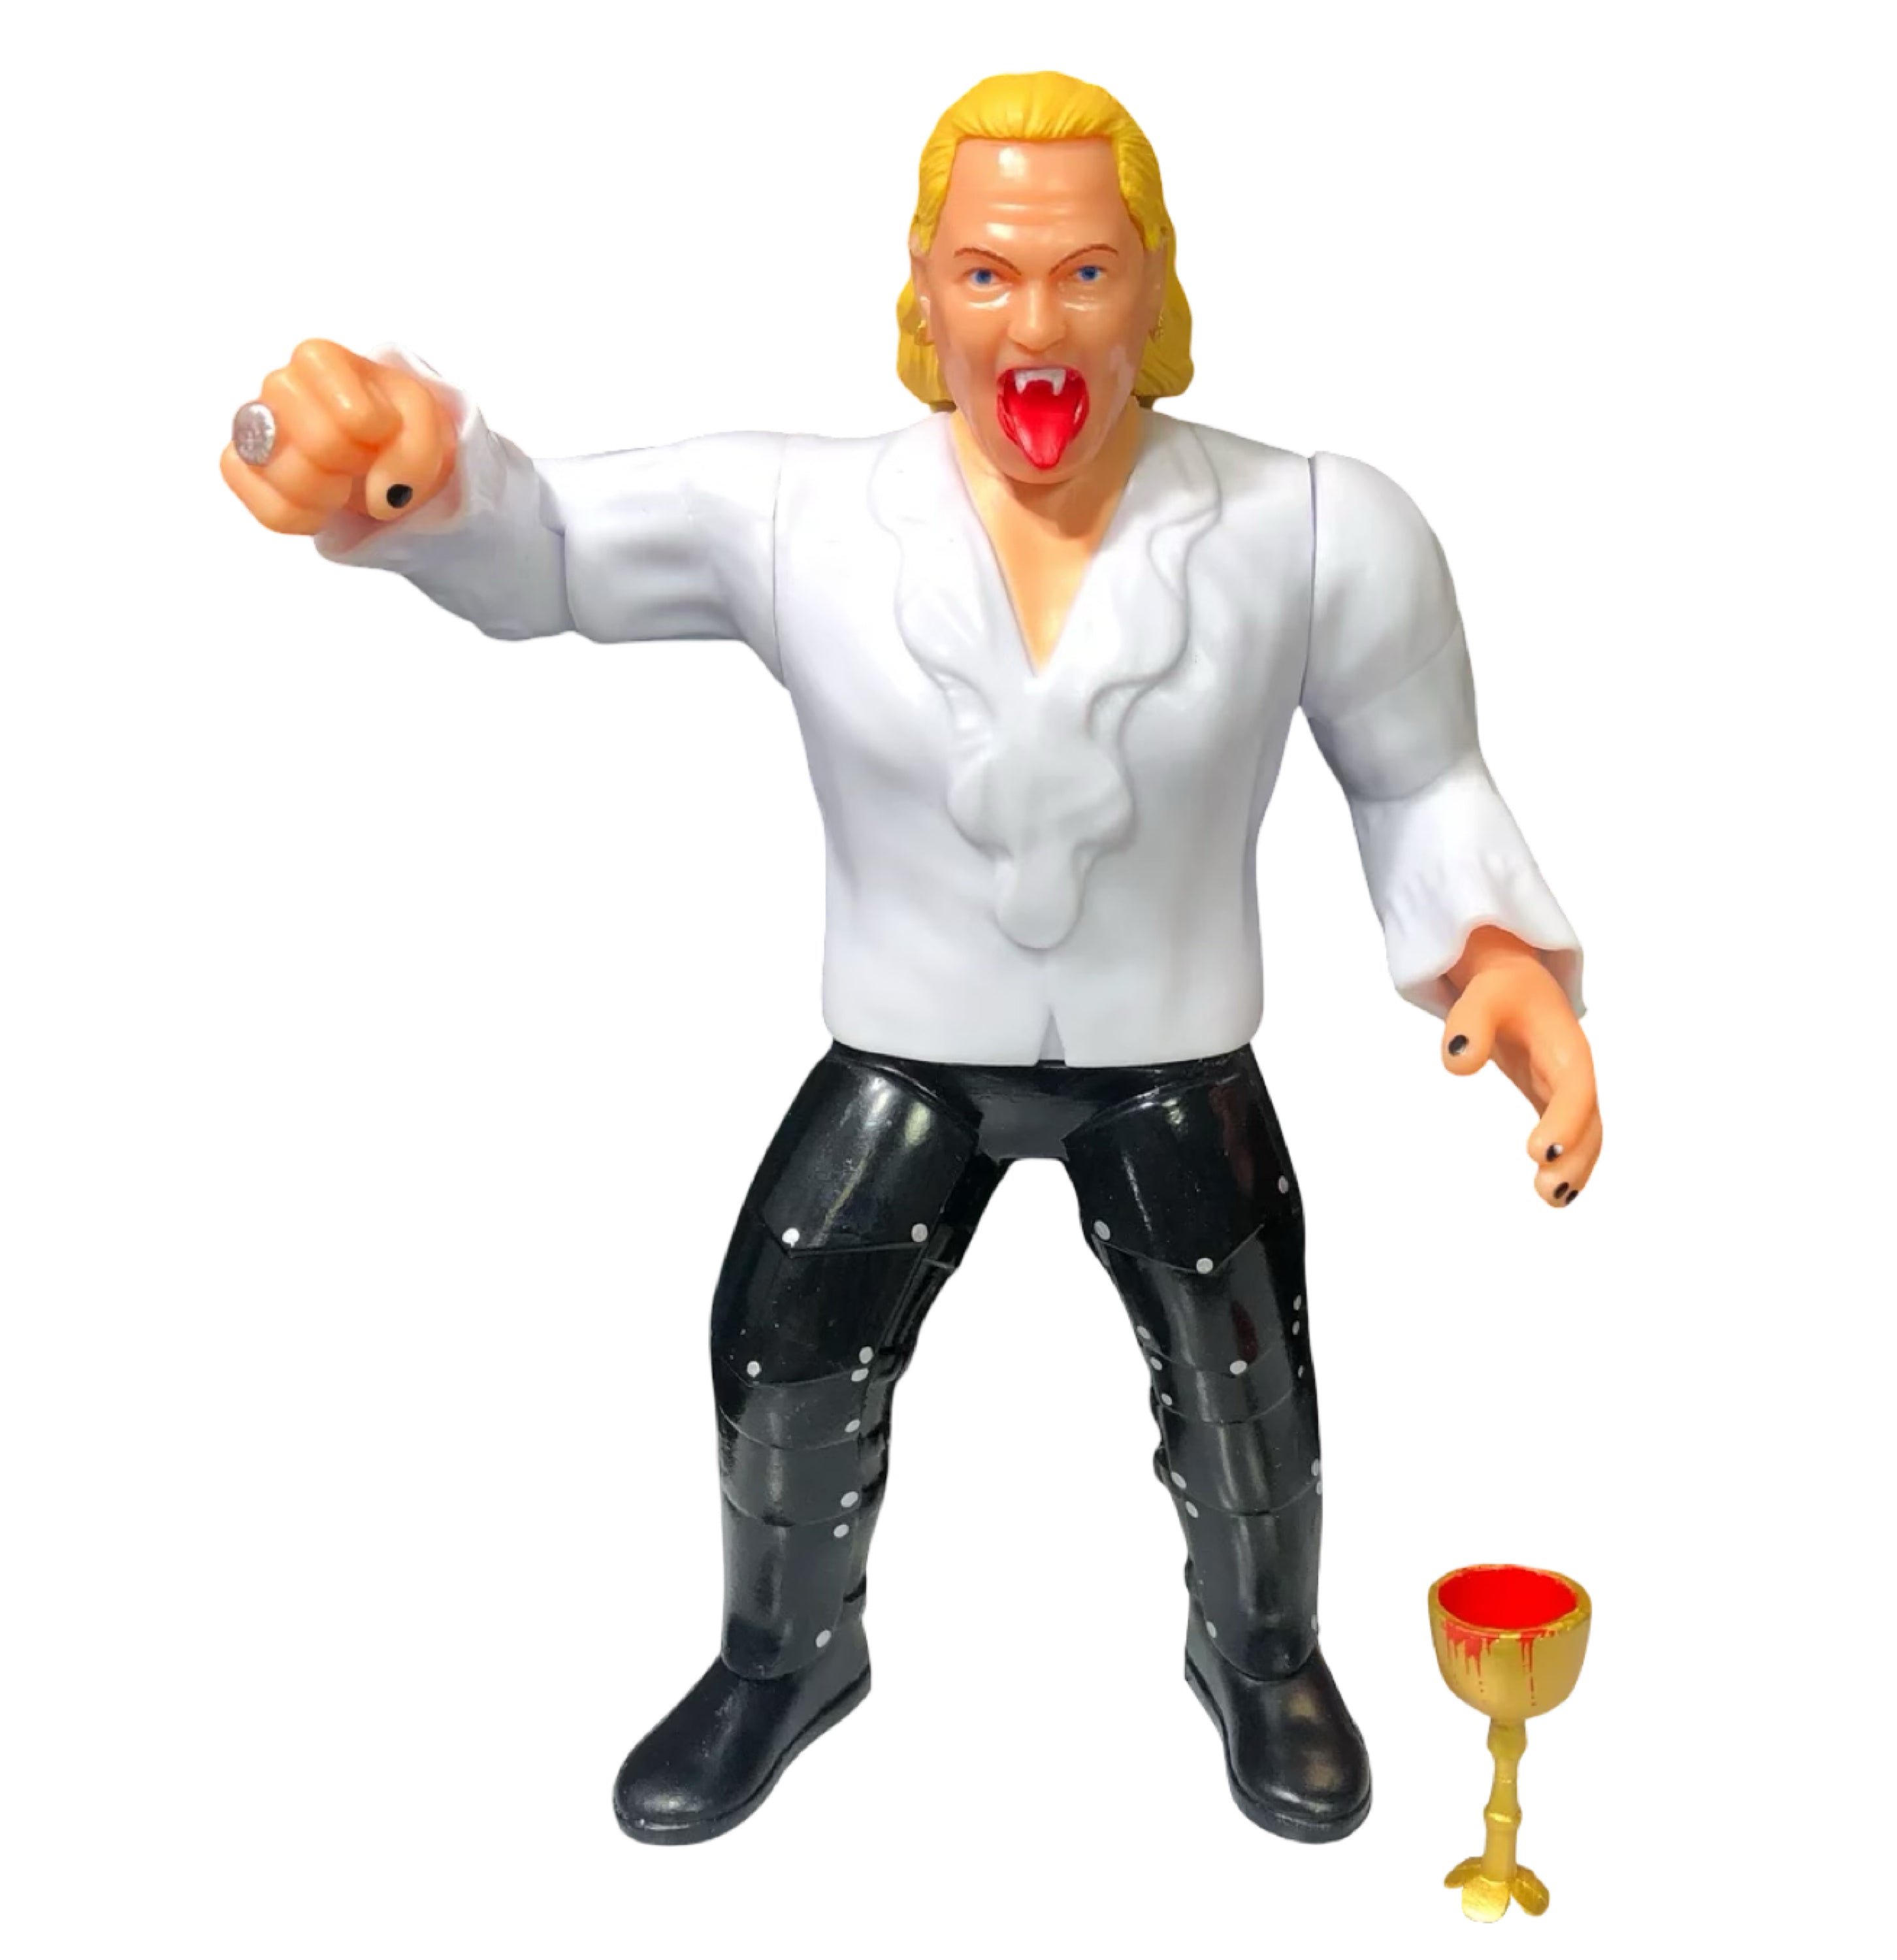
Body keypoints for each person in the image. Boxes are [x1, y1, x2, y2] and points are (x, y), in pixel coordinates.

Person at [221, 70, 1598, 1848]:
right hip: (908, 1044)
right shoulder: (801, 515)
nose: (1036, 325)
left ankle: (1262, 1654)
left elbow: (1419, 776)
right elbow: (550, 545)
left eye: (1086, 273)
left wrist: (1499, 961)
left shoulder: (1318, 525)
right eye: (989, 274)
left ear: (1156, 286)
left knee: (1248, 1380)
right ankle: (784, 1658)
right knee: (781, 1347)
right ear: (926, 291)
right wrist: (415, 469)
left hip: (1173, 1046)